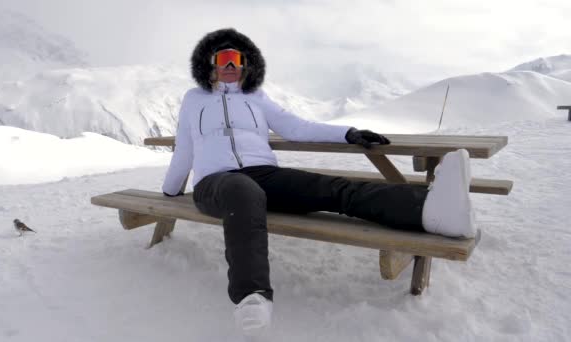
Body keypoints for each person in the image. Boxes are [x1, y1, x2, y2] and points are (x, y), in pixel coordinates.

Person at [162, 28, 476, 337]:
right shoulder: (194, 100)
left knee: (331, 187)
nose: (231, 66)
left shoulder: (256, 98)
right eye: (223, 58)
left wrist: (348, 133)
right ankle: (252, 296)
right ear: (209, 63)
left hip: (263, 174)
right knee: (242, 192)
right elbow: (184, 149)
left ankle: (429, 209)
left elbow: (297, 127)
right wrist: (171, 190)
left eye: (237, 58)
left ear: (248, 64)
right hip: (216, 183)